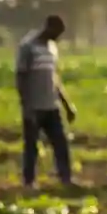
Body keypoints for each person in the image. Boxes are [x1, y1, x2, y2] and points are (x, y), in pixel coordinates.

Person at [15, 14, 78, 189]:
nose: (58, 37)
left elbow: (54, 79)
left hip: (52, 105)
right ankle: (29, 182)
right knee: (31, 145)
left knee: (61, 143)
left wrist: (67, 105)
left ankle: (66, 178)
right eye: (56, 33)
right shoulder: (28, 47)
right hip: (34, 106)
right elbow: (21, 77)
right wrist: (26, 105)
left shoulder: (52, 48)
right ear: (48, 28)